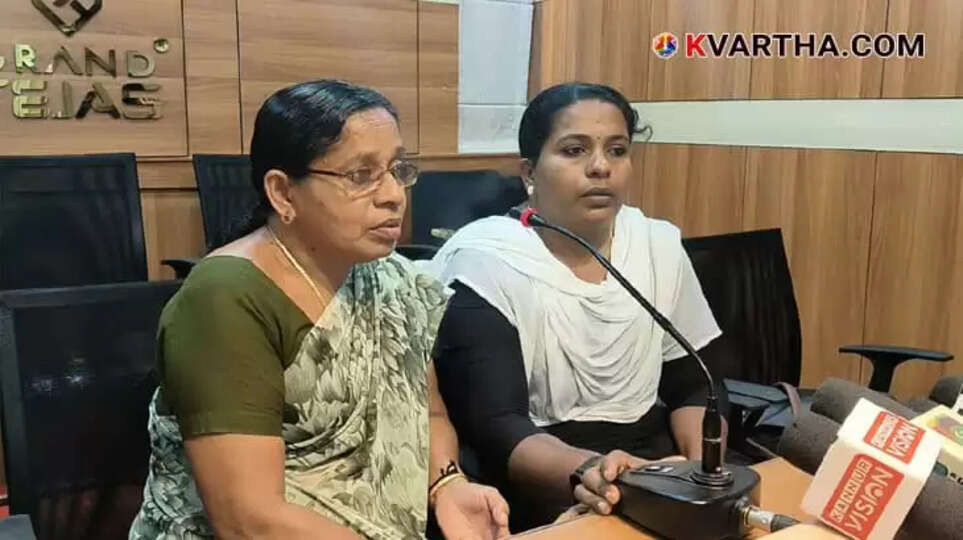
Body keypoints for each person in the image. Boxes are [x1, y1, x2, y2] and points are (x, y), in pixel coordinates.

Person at [129, 80, 510, 540]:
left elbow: (425, 415)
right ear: (283, 194)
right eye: (361, 175)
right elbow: (248, 519)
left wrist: (447, 484)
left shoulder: (392, 279)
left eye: (398, 169)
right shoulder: (226, 299)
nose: (393, 194)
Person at [426, 82, 728, 528]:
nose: (600, 167)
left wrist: (699, 472)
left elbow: (696, 385)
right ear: (529, 172)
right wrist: (598, 474)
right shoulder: (486, 260)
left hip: (649, 462)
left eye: (618, 150)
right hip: (537, 472)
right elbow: (497, 425)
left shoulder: (656, 245)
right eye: (574, 151)